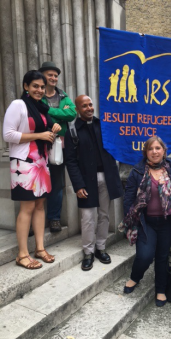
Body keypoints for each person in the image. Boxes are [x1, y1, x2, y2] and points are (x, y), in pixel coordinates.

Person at [3, 70, 61, 269]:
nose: (39, 90)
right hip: (24, 162)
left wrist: (54, 129)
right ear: (25, 86)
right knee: (27, 207)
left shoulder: (41, 108)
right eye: (35, 86)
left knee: (39, 205)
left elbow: (48, 128)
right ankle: (22, 254)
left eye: (42, 87)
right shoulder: (18, 105)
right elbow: (8, 134)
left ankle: (39, 248)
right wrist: (40, 136)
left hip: (41, 161)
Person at [119, 136, 171, 307]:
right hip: (145, 222)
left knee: (162, 256)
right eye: (150, 149)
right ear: (145, 152)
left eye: (157, 148)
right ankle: (135, 277)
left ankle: (161, 289)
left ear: (164, 150)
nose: (154, 152)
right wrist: (130, 220)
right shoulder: (138, 171)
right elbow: (129, 198)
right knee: (145, 255)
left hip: (167, 222)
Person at [64, 95, 123, 271]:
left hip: (106, 177)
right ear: (77, 109)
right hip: (86, 181)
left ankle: (100, 248)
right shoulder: (72, 131)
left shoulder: (103, 126)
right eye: (85, 106)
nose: (89, 108)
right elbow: (71, 161)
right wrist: (78, 185)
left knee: (104, 215)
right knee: (88, 218)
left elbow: (115, 148)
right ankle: (88, 252)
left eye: (91, 104)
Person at [39, 61, 77, 233]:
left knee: (56, 183)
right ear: (43, 76)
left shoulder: (62, 95)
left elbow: (72, 114)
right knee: (35, 182)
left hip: (58, 147)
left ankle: (54, 218)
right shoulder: (35, 93)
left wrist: (48, 111)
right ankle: (33, 220)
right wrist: (59, 117)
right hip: (38, 144)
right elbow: (35, 115)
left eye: (55, 75)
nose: (53, 78)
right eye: (50, 75)